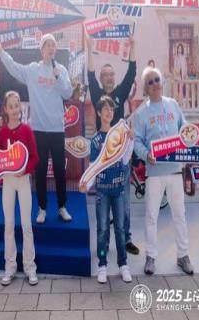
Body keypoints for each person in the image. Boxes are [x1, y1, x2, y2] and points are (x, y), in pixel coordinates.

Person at [0, 34, 73, 223]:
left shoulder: (61, 70)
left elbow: (68, 93)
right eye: (47, 45)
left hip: (57, 128)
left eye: (53, 45)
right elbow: (14, 68)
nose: (51, 48)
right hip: (38, 128)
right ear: (41, 49)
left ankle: (62, 206)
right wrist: (2, 52)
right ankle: (42, 208)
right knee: (40, 169)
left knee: (60, 170)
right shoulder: (33, 70)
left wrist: (59, 78)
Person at [133, 66, 194, 275]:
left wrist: (190, 135)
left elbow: (185, 129)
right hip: (154, 172)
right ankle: (150, 257)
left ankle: (183, 256)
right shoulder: (141, 113)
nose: (155, 84)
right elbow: (137, 141)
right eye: (150, 82)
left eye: (156, 79)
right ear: (145, 88)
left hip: (175, 170)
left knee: (179, 214)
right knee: (151, 216)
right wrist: (145, 155)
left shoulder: (173, 105)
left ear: (162, 82)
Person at [86, 33, 139, 255]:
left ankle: (126, 239)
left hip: (121, 157)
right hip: (102, 158)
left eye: (111, 74)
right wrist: (89, 48)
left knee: (123, 201)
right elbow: (89, 74)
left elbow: (132, 71)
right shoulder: (97, 94)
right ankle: (104, 241)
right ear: (101, 78)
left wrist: (132, 45)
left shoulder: (120, 93)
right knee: (103, 202)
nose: (108, 77)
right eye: (105, 75)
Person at [81, 96, 133, 284]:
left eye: (111, 109)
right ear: (98, 113)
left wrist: (131, 141)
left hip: (118, 190)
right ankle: (102, 264)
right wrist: (86, 183)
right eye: (105, 109)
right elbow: (93, 166)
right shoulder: (95, 140)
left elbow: (125, 160)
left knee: (120, 229)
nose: (109, 112)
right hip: (102, 191)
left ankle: (123, 264)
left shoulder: (119, 135)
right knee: (102, 229)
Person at [0, 91, 39, 286]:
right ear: (5, 109)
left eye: (17, 105)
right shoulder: (2, 133)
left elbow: (35, 158)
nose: (15, 110)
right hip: (8, 181)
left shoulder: (27, 130)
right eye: (11, 106)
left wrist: (26, 170)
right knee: (8, 224)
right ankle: (10, 266)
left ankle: (30, 267)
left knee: (26, 225)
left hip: (23, 181)